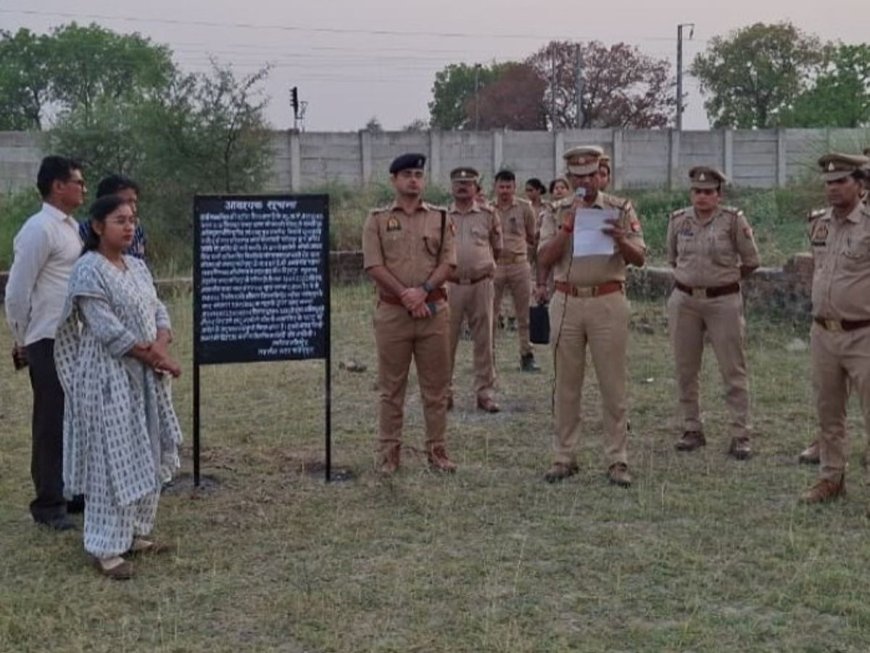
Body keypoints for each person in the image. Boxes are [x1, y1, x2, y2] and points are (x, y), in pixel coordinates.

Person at [54, 195, 182, 579]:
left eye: (132, 220)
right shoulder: (88, 270)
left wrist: (160, 345)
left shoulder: (138, 267)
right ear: (97, 226)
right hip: (107, 376)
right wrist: (160, 359)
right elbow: (108, 330)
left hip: (146, 375)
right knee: (112, 459)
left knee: (147, 447)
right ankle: (105, 547)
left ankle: (133, 534)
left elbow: (159, 309)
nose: (129, 227)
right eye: (119, 220)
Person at [537, 146, 646, 487]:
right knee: (566, 384)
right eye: (578, 176)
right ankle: (564, 455)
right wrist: (567, 229)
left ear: (601, 173)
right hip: (567, 300)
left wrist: (621, 238)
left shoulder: (620, 208)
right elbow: (543, 257)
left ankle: (617, 458)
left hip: (607, 300)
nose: (585, 182)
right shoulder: (556, 211)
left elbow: (640, 257)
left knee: (612, 383)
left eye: (591, 175)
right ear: (569, 178)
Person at [362, 153, 458, 474]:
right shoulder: (376, 219)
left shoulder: (441, 218)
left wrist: (423, 290)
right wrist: (406, 295)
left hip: (433, 311)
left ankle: (438, 451)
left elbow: (449, 262)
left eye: (418, 174)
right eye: (406, 175)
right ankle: (389, 454)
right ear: (394, 180)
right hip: (393, 314)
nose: (413, 180)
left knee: (436, 387)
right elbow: (374, 265)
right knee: (391, 388)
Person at [4, 155, 86, 530]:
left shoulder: (70, 228)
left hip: (73, 336)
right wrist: (22, 339)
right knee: (51, 420)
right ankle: (48, 503)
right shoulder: (39, 229)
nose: (83, 188)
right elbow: (18, 291)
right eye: (77, 182)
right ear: (58, 186)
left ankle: (69, 490)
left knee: (73, 417)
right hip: (46, 337)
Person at [666, 167, 760, 459]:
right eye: (697, 191)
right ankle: (692, 428)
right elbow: (672, 258)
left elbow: (751, 260)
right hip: (685, 301)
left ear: (719, 195)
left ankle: (740, 433)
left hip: (724, 302)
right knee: (686, 368)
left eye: (708, 192)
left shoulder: (733, 221)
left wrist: (724, 281)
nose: (702, 196)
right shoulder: (678, 220)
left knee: (733, 368)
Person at [799, 153, 870, 504]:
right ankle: (831, 479)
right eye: (828, 183)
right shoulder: (818, 223)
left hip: (864, 333)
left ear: (860, 184)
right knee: (828, 411)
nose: (833, 188)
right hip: (824, 332)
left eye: (841, 181)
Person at [446, 167, 503, 413]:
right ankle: (443, 392)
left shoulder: (489, 214)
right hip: (451, 285)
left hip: (481, 284)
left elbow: (497, 248)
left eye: (468, 183)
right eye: (458, 183)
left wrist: (484, 266)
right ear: (452, 187)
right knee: (445, 341)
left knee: (484, 339)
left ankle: (485, 393)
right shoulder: (442, 216)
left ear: (475, 187)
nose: (462, 187)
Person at [492, 169, 539, 372]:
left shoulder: (525, 208)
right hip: (495, 265)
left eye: (508, 187)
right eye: (501, 187)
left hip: (519, 264)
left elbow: (532, 236)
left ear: (514, 187)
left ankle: (526, 355)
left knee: (524, 314)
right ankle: (488, 355)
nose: (504, 191)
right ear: (495, 187)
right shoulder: (487, 209)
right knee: (490, 313)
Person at [79, 174, 147, 260]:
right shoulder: (81, 231)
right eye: (127, 202)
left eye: (134, 202)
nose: (134, 209)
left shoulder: (137, 231)